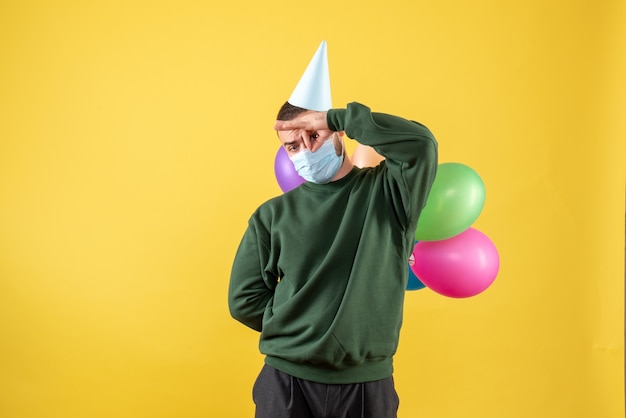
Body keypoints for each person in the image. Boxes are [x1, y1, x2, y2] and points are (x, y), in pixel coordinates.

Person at [228, 98, 438, 417]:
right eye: (292, 146)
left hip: (368, 385)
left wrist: (337, 117)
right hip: (286, 382)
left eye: (314, 136)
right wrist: (301, 326)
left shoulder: (389, 192)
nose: (306, 151)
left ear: (338, 133)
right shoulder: (272, 215)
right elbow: (244, 299)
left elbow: (421, 144)